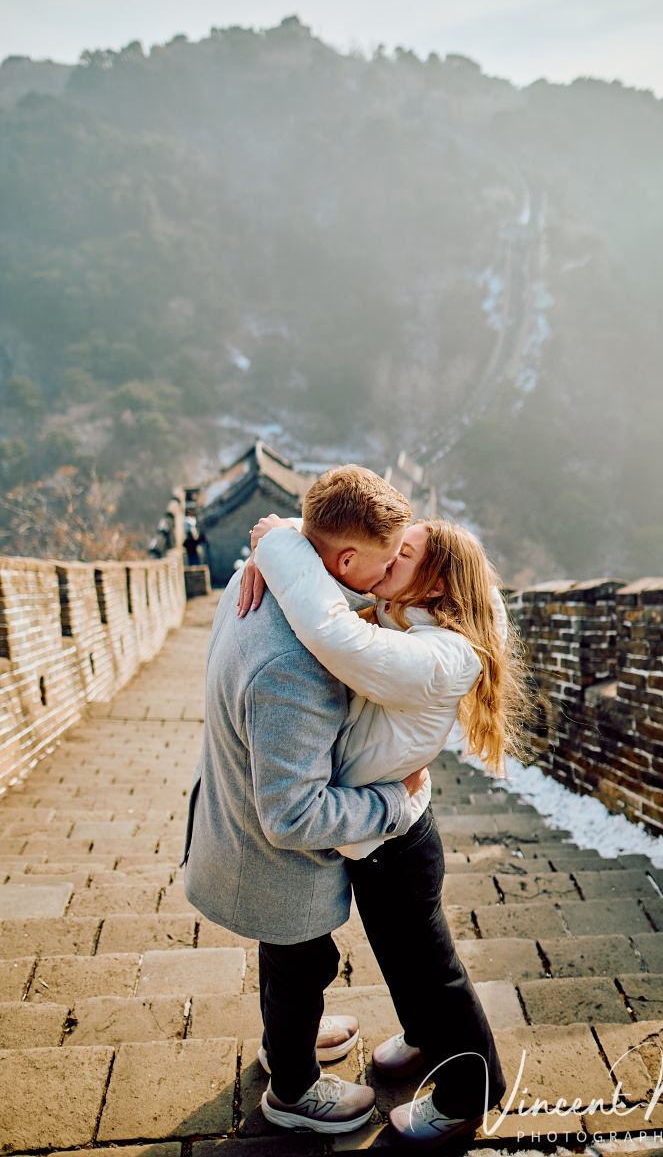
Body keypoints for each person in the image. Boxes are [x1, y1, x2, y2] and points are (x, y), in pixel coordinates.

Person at [237, 510, 526, 1148]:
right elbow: (348, 557)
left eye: (403, 554)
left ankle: (466, 1098)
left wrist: (279, 545)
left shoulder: (440, 654)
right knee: (401, 961)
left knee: (432, 971)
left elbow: (332, 635)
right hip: (375, 829)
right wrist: (292, 533)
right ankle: (425, 1037)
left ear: (438, 584)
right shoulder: (412, 615)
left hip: (399, 842)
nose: (387, 557)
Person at [182, 466, 432, 1136]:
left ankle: (285, 1038)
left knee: (292, 958)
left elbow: (293, 543)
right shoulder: (296, 666)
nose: (385, 582)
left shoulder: (260, 572)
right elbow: (293, 815)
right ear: (344, 558)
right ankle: (292, 1090)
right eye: (381, 567)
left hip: (230, 818)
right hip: (269, 853)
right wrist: (389, 802)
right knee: (303, 960)